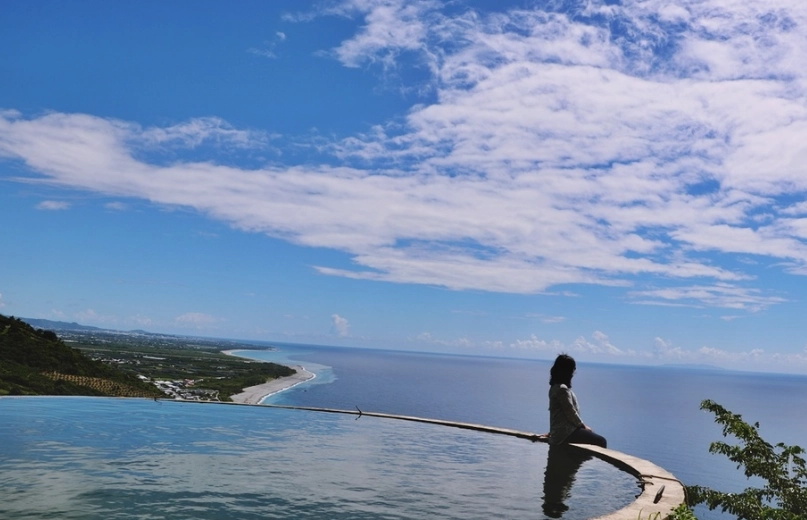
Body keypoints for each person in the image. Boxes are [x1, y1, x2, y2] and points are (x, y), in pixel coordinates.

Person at [547, 354, 607, 448]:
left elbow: (557, 414)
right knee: (601, 441)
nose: (573, 373)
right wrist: (583, 426)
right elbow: (570, 412)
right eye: (572, 370)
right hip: (565, 434)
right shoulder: (562, 389)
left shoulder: (554, 387)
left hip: (559, 432)